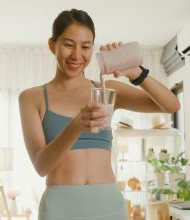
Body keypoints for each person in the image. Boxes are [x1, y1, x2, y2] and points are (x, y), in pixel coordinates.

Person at [19, 8, 180, 220]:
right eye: (68, 45)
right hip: (60, 208)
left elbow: (170, 105)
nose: (77, 55)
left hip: (108, 205)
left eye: (85, 47)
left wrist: (136, 72)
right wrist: (76, 125)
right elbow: (41, 166)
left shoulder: (106, 90)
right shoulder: (32, 98)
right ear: (52, 45)